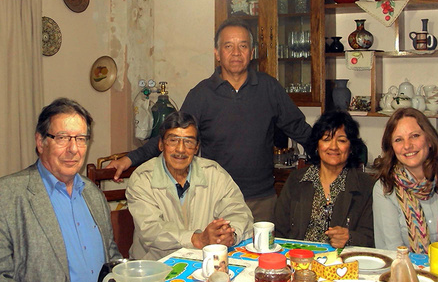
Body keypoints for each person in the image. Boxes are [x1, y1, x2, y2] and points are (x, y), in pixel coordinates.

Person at [108, 18, 312, 222]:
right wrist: (130, 159)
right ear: (217, 53)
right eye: (228, 46)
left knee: (262, 253)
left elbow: (299, 128)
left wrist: (335, 155)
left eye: (243, 46)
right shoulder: (201, 95)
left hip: (261, 200)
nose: (236, 53)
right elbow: (170, 136)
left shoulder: (269, 88)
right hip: (215, 199)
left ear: (252, 52)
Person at [0, 98, 121, 282]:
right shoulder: (7, 196)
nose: (73, 149)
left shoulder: (93, 194)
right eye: (62, 138)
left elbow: (111, 257)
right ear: (41, 142)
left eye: (81, 139)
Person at [126, 111, 253, 260]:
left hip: (204, 263)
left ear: (197, 147)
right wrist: (197, 239)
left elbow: (239, 212)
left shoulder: (214, 173)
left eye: (189, 141)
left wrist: (230, 234)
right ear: (161, 144)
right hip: (156, 267)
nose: (181, 149)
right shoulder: (143, 179)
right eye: (173, 140)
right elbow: (151, 230)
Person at [373, 107, 438, 258]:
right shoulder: (385, 189)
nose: (407, 146)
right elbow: (392, 253)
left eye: (415, 136)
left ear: (429, 140)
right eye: (398, 140)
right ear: (392, 148)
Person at [274, 110, 374, 248]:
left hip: (343, 262)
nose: (333, 147)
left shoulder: (365, 186)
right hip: (299, 260)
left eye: (342, 140)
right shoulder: (297, 180)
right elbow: (279, 230)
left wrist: (350, 238)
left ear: (351, 147)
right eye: (326, 139)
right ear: (317, 145)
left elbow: (372, 237)